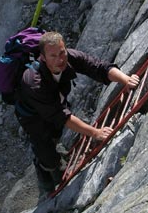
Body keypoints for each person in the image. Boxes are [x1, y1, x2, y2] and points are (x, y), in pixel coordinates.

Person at [15, 31, 140, 195]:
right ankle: (45, 170)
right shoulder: (34, 82)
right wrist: (95, 133)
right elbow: (61, 116)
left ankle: (53, 158)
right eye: (53, 56)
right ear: (43, 58)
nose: (60, 60)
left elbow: (97, 66)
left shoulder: (69, 58)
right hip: (32, 116)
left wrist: (125, 79)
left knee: (55, 133)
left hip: (53, 104)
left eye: (62, 52)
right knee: (47, 153)